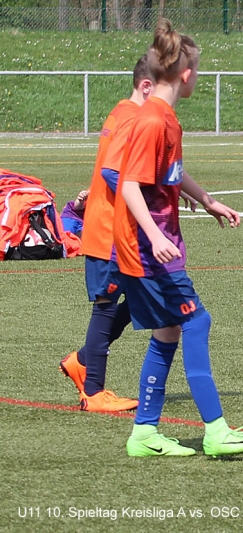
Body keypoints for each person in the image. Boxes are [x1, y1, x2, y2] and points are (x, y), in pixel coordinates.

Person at [114, 20, 243, 458]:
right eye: (197, 69)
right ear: (185, 73)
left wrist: (207, 200)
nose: (198, 76)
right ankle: (216, 430)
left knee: (167, 332)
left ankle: (144, 432)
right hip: (149, 251)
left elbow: (170, 174)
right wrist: (153, 236)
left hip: (152, 247)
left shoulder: (164, 117)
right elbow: (128, 185)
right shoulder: (152, 121)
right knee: (197, 322)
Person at [59, 56, 156, 413]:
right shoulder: (132, 117)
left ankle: (83, 360)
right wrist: (148, 200)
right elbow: (113, 173)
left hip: (116, 230)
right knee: (106, 307)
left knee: (145, 296)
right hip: (110, 232)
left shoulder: (120, 112)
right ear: (146, 86)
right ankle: (94, 391)